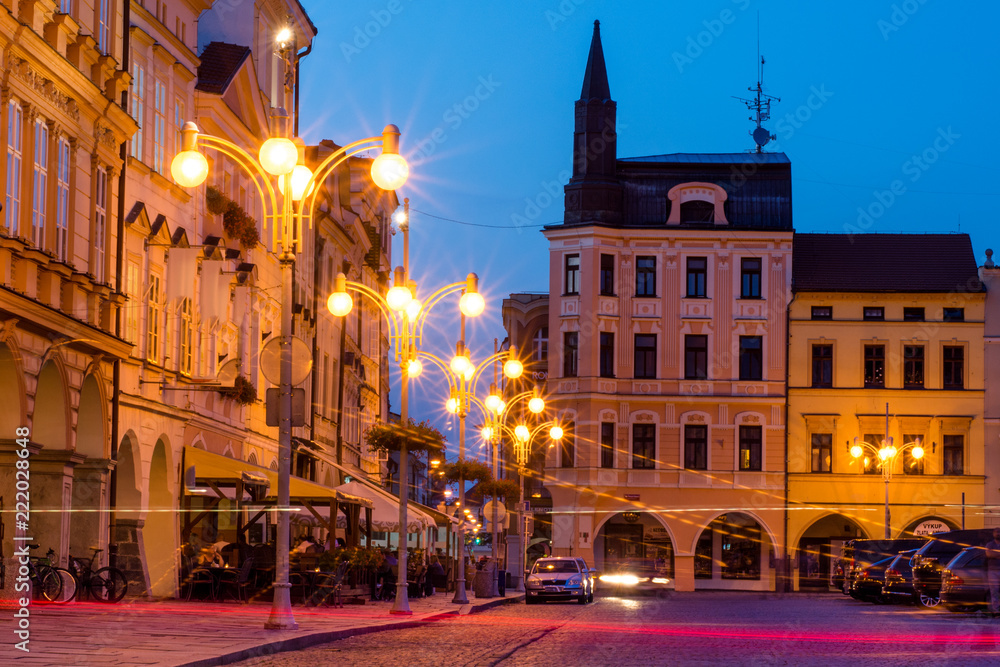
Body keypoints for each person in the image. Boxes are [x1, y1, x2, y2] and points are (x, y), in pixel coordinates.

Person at [986, 528, 1000, 617]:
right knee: (994, 592)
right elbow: (989, 554)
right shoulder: (990, 544)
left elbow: (992, 554)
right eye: (996, 532)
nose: (998, 534)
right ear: (993, 534)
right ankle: (997, 611)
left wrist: (995, 554)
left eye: (999, 532)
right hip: (993, 571)